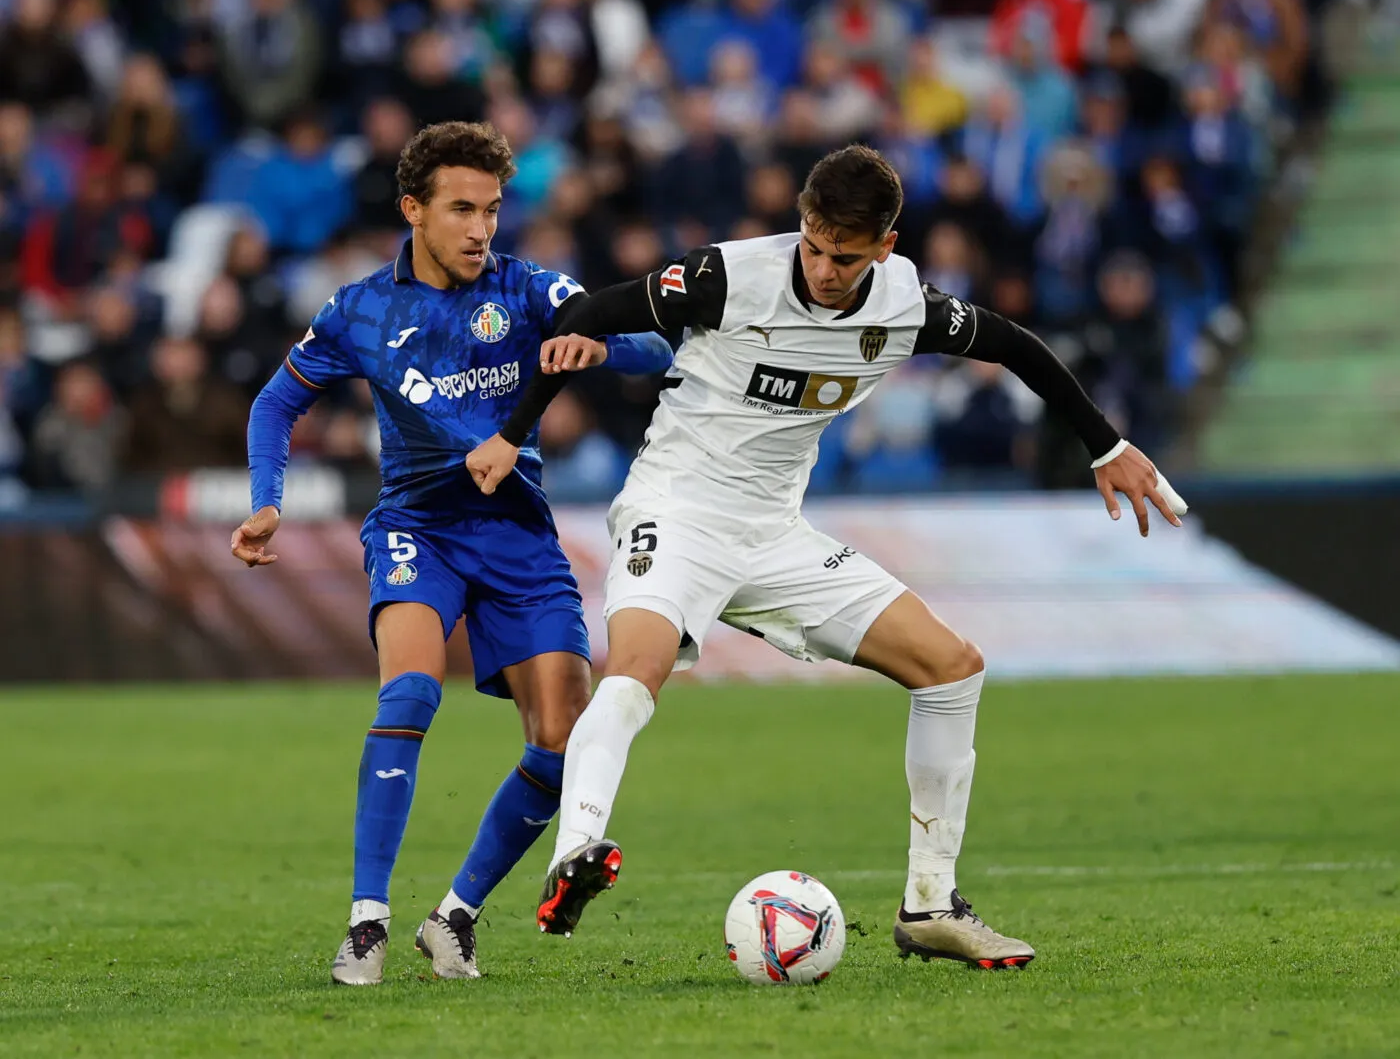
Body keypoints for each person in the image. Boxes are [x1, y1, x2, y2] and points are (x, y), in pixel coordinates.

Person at [466, 145, 1188, 968]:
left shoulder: (905, 303)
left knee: (952, 667)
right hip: (676, 511)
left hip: (775, 536)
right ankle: (577, 853)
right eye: (812, 246)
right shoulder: (726, 277)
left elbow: (1015, 345)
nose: (823, 267)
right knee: (635, 671)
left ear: (884, 244)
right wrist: (511, 433)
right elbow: (586, 313)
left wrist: (1107, 447)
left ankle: (930, 906)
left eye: (844, 256)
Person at [230, 121, 672, 985]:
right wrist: (266, 502)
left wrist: (598, 342)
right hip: (417, 528)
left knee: (562, 741)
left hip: (517, 534)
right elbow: (276, 405)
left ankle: (455, 916)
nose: (481, 229)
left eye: (493, 211)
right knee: (411, 688)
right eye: (461, 210)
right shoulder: (359, 308)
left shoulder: (533, 288)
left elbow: (654, 342)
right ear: (413, 211)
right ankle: (366, 923)